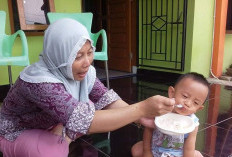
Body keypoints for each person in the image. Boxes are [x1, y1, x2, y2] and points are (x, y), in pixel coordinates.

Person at [0, 18, 175, 157]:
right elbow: (87, 121)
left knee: (89, 107)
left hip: (49, 120)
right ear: (59, 54)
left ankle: (63, 129)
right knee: (53, 152)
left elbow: (106, 98)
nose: (87, 63)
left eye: (90, 53)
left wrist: (141, 116)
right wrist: (142, 108)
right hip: (16, 130)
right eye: (78, 56)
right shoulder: (39, 82)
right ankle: (12, 145)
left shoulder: (82, 73)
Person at [131, 72, 210, 157]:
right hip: (155, 150)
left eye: (195, 103)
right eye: (185, 96)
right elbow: (148, 131)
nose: (188, 103)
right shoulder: (160, 111)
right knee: (136, 149)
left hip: (178, 153)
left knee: (198, 155)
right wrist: (147, 152)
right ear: (172, 93)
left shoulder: (192, 123)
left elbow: (189, 147)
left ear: (198, 108)